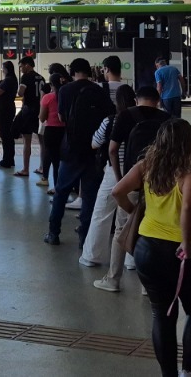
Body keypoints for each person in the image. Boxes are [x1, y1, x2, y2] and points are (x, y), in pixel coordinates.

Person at [112, 119, 191, 377]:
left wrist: (134, 212)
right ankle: (189, 371)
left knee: (162, 314)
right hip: (179, 251)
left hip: (146, 249)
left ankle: (169, 374)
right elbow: (188, 208)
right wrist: (186, 243)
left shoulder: (146, 167)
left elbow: (117, 191)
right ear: (186, 144)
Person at [90, 85, 170, 292]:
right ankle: (147, 286)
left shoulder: (125, 115)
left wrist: (121, 179)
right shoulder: (166, 118)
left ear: (136, 99)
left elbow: (112, 149)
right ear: (158, 101)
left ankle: (113, 279)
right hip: (158, 185)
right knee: (151, 232)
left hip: (132, 181)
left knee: (122, 229)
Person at [47, 58, 115, 247]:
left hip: (71, 149)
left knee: (61, 192)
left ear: (73, 71)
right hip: (94, 150)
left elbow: (61, 117)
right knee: (90, 196)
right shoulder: (99, 91)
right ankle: (84, 238)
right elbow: (108, 117)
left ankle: (53, 233)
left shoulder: (65, 90)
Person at [82, 85, 137, 270]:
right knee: (131, 214)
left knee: (102, 212)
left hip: (115, 171)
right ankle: (131, 260)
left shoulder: (111, 120)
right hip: (136, 172)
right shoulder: (140, 121)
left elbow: (94, 143)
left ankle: (92, 255)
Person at [14, 57, 44, 177]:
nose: (21, 69)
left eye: (21, 66)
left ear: (27, 65)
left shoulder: (25, 77)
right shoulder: (41, 77)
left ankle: (25, 169)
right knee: (42, 141)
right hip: (40, 110)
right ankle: (42, 167)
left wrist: (20, 90)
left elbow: (20, 93)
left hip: (28, 111)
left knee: (27, 141)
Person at [37, 72, 67, 189]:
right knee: (61, 160)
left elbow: (42, 118)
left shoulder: (48, 97)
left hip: (51, 131)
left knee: (53, 159)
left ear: (51, 85)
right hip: (64, 131)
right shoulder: (66, 95)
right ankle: (61, 185)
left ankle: (55, 187)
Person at [0, 61, 19, 169]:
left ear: (6, 69)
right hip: (10, 109)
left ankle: (6, 161)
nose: (2, 70)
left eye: (2, 68)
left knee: (5, 136)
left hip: (3, 111)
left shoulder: (8, 80)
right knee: (9, 136)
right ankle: (10, 159)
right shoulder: (14, 79)